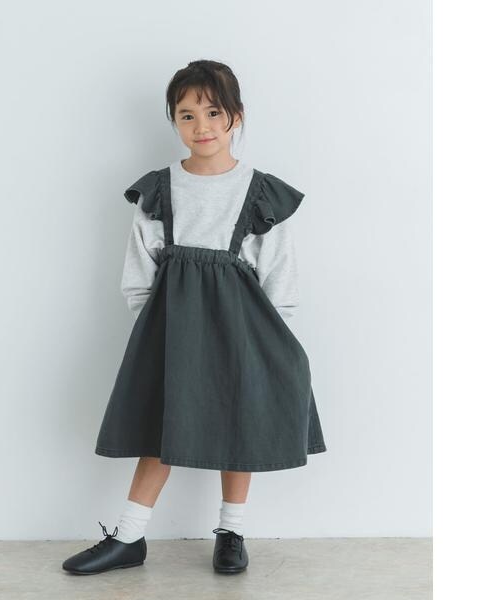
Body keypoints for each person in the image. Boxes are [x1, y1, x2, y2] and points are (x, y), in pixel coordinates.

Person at [62, 59, 327, 577]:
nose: (201, 126)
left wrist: (272, 344)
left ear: (236, 117)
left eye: (213, 112)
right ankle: (129, 536)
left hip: (245, 331)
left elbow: (279, 276)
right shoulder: (159, 190)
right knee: (160, 427)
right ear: (174, 122)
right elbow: (139, 271)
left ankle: (231, 532)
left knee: (240, 423)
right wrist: (153, 332)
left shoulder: (260, 192)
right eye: (186, 115)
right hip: (172, 332)